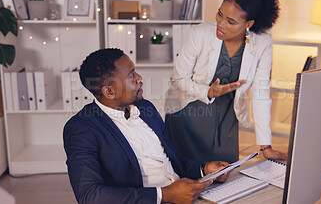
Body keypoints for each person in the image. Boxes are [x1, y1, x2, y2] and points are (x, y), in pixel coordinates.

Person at [63, 48, 231, 204]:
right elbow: (90, 195)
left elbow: (173, 161)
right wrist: (165, 194)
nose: (139, 78)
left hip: (189, 197)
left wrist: (204, 169)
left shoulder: (145, 108)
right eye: (131, 76)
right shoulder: (81, 129)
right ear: (109, 92)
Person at [165, 0, 287, 163]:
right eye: (220, 14)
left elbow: (261, 93)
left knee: (226, 177)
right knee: (190, 177)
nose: (220, 24)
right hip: (189, 115)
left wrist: (265, 146)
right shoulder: (200, 34)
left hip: (227, 120)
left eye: (231, 22)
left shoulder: (262, 43)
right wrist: (207, 91)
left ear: (249, 24)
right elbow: (178, 79)